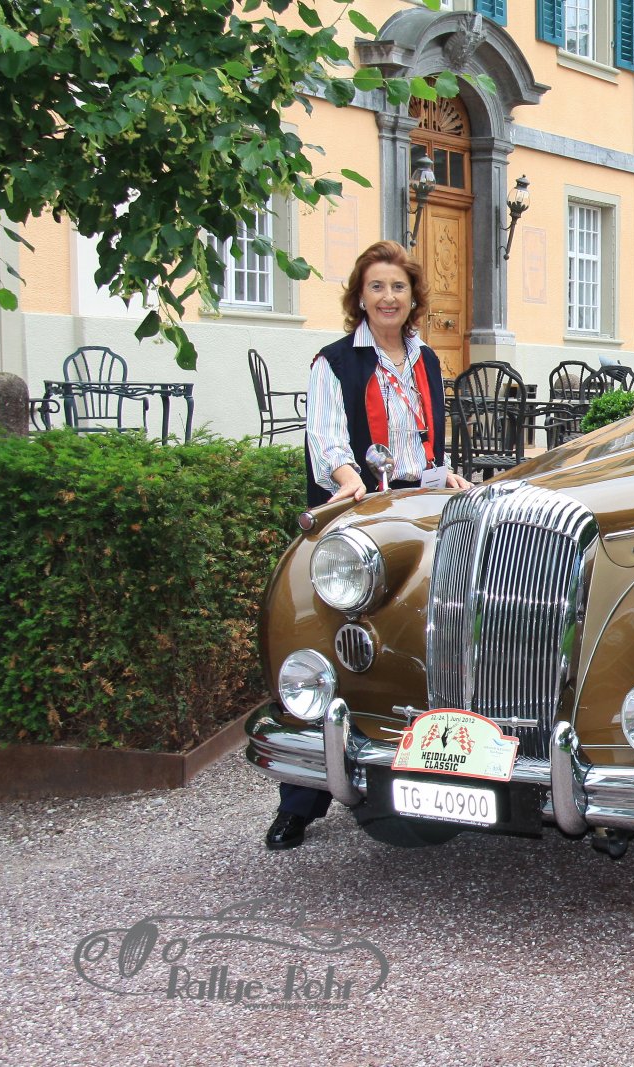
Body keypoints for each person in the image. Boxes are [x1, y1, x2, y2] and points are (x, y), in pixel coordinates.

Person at [266, 240, 471, 851]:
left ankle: (436, 764)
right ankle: (300, 800)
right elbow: (327, 443)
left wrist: (445, 475)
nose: (388, 297)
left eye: (398, 287)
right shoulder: (335, 362)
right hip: (362, 515)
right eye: (377, 287)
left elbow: (426, 446)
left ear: (413, 298)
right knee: (333, 640)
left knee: (424, 634)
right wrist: (347, 477)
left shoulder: (425, 358)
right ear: (360, 296)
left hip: (419, 513)